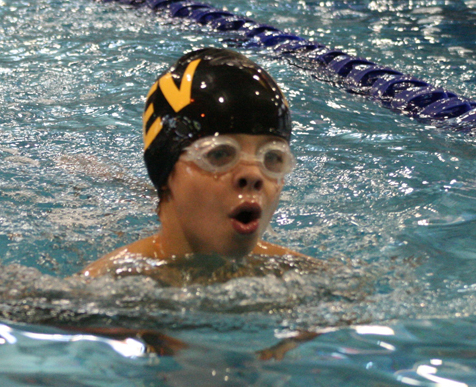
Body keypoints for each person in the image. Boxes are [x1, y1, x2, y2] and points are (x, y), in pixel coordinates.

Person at [81, 48, 320, 286]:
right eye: (219, 154)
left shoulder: (309, 282)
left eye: (272, 158)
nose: (253, 174)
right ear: (164, 170)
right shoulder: (98, 293)